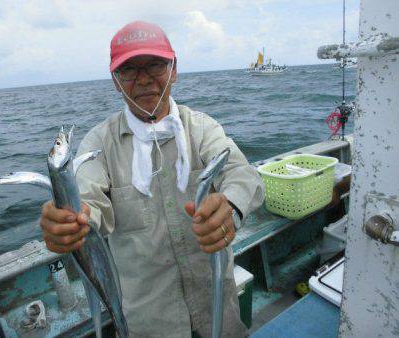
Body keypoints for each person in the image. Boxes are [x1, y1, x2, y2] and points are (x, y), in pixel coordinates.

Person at [40, 21, 264, 337]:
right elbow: (87, 201)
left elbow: (243, 176)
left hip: (218, 310)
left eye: (155, 65)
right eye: (129, 70)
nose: (144, 78)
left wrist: (230, 205)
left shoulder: (201, 128)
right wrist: (68, 222)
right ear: (116, 81)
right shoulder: (98, 144)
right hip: (149, 324)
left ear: (174, 69)